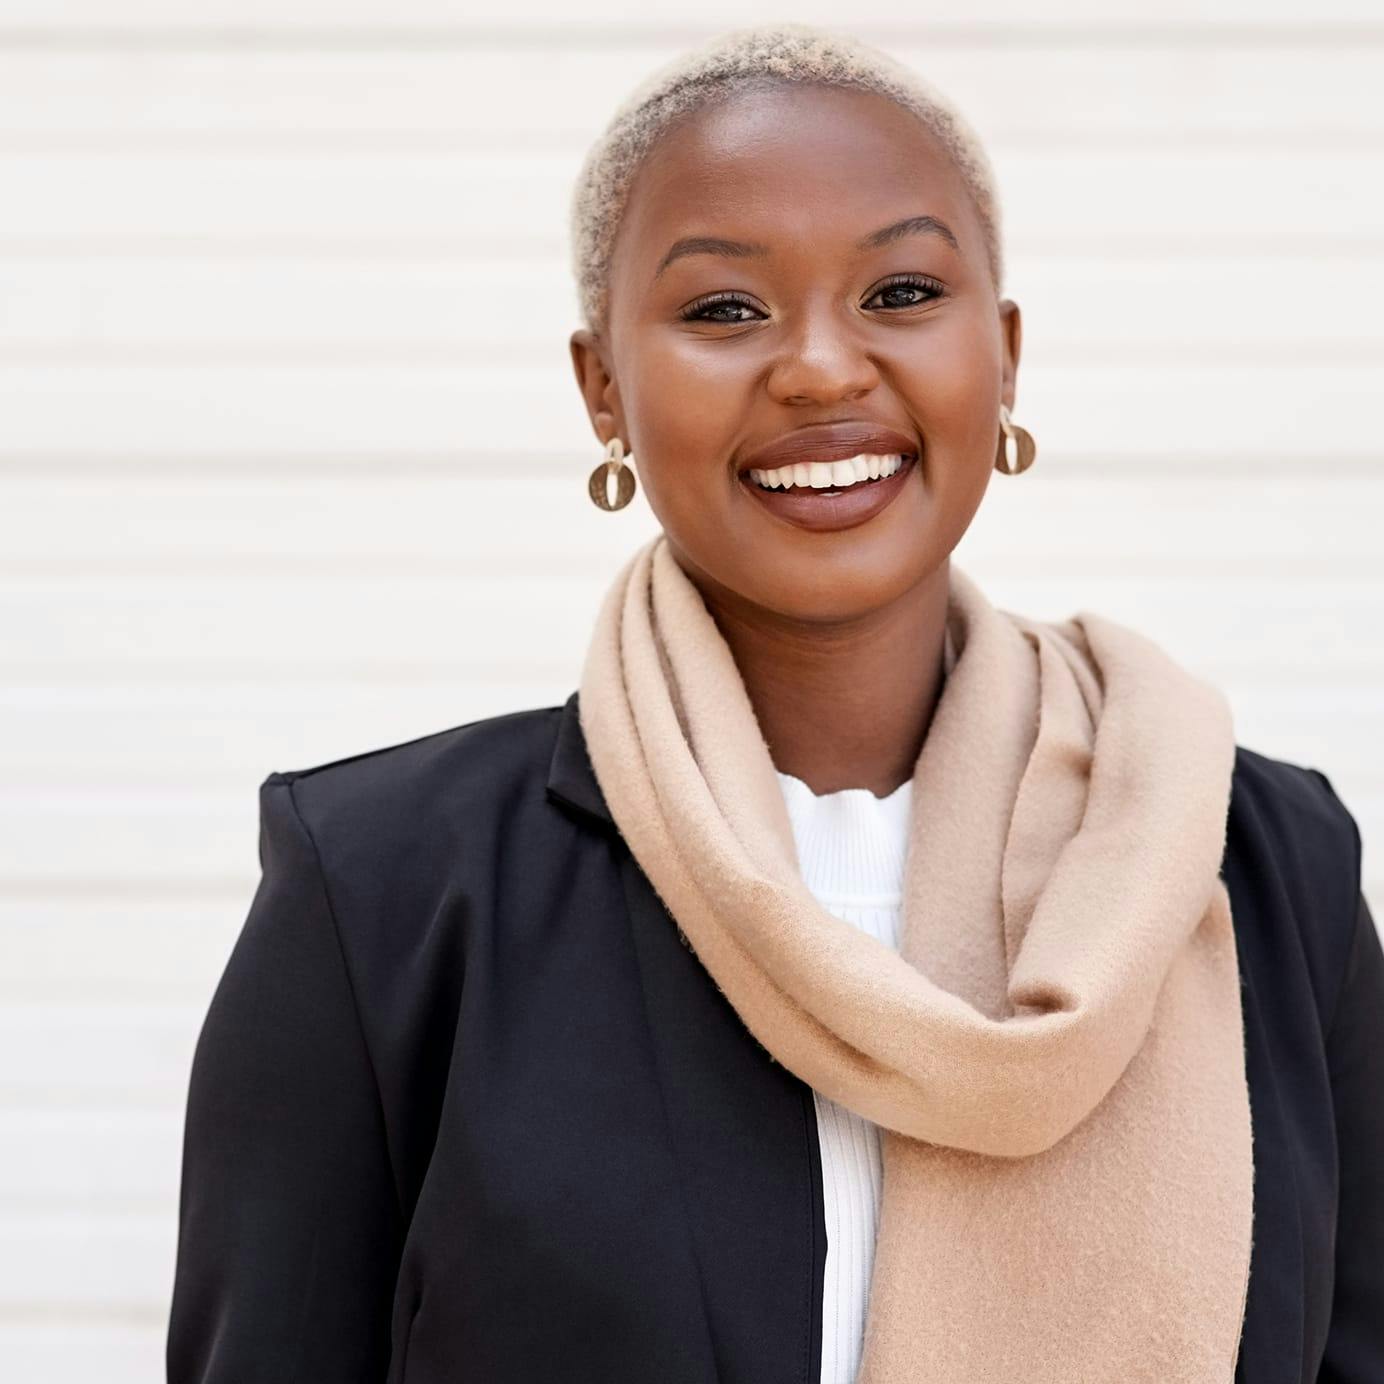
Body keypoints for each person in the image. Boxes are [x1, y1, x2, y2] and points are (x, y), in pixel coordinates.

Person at [166, 22, 1383, 1384]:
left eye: (904, 291)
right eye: (725, 311)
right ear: (603, 389)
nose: (818, 367)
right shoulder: (385, 891)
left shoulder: (1254, 865)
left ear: (1009, 353)